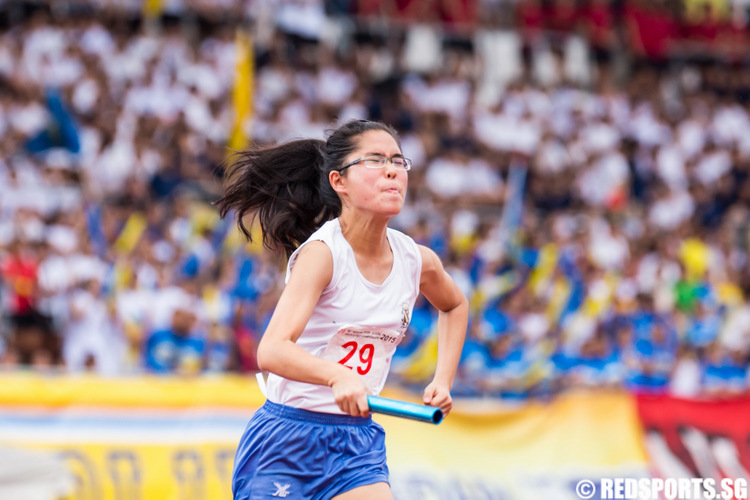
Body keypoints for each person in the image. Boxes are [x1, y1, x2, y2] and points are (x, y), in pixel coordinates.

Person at [216, 119, 468, 500]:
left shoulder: (418, 260)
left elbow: (455, 304)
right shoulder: (323, 255)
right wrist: (337, 377)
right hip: (287, 441)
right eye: (375, 160)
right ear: (339, 182)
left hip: (356, 444)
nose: (391, 171)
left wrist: (443, 380)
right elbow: (271, 350)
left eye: (399, 162)